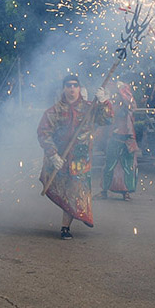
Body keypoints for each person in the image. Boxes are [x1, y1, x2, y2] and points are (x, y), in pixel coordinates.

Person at [37, 75, 113, 239]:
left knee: (76, 191)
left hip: (80, 159)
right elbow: (43, 133)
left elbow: (107, 119)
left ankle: (66, 226)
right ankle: (77, 212)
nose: (72, 89)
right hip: (60, 159)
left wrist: (104, 102)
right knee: (64, 191)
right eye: (68, 86)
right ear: (63, 89)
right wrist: (53, 155)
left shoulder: (90, 108)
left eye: (75, 85)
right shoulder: (54, 110)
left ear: (80, 88)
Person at [102, 81, 140, 198]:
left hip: (128, 139)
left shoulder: (129, 104)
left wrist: (121, 90)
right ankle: (104, 191)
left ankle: (126, 192)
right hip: (115, 137)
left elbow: (131, 105)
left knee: (128, 167)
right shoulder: (113, 105)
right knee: (109, 165)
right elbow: (108, 115)